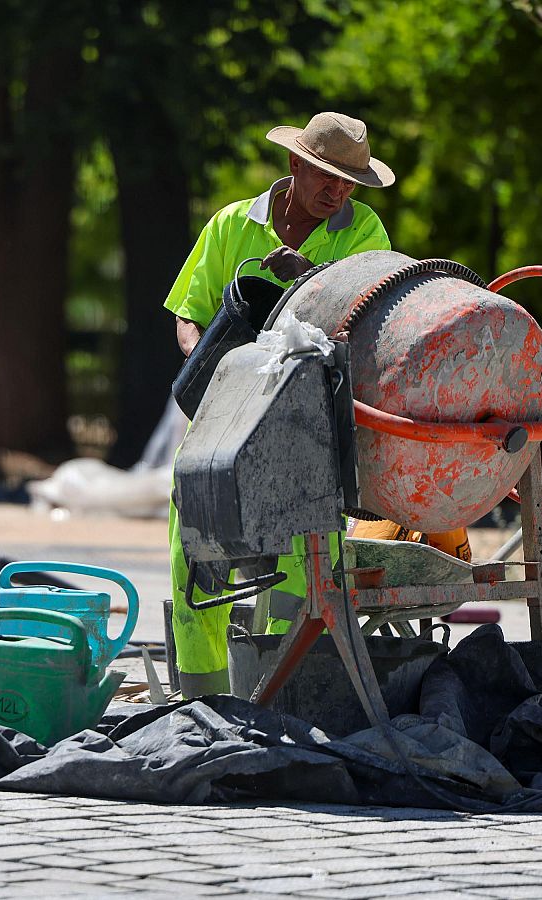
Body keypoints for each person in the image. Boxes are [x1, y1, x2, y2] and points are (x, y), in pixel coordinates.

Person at [162, 111, 396, 698]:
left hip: (308, 430)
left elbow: (370, 322)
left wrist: (310, 278)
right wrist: (213, 373)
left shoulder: (363, 232)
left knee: (303, 569)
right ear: (295, 164)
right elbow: (189, 312)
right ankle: (202, 708)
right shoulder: (232, 225)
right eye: (328, 177)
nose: (339, 191)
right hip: (222, 425)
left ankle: (283, 703)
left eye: (349, 182)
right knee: (198, 558)